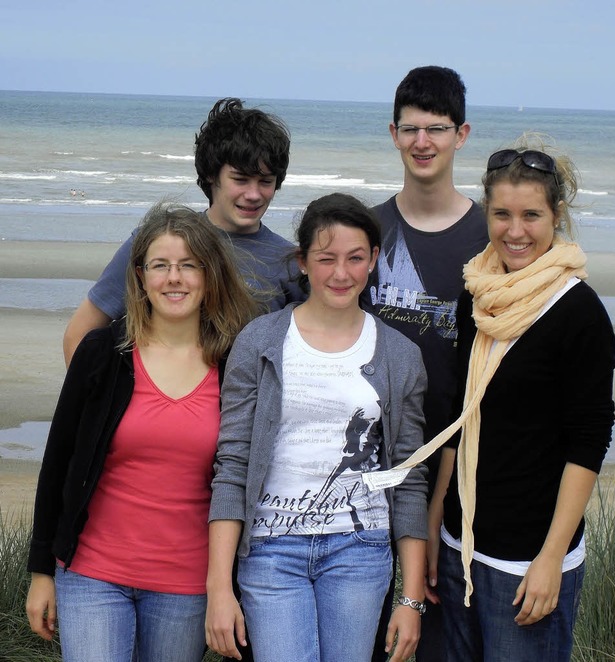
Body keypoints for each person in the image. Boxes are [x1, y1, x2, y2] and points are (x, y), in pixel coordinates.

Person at [26, 203, 259, 662]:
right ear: (140, 275)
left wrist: (223, 588)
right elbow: (58, 463)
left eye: (188, 266)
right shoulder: (103, 353)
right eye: (160, 265)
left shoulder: (236, 363)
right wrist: (40, 572)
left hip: (186, 584)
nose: (174, 278)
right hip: (93, 572)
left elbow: (240, 479)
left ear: (209, 275)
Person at [205, 193, 429, 662]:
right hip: (270, 549)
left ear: (373, 261)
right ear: (303, 262)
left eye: (355, 258)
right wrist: (219, 588)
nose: (341, 273)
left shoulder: (400, 355)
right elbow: (232, 465)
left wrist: (409, 599)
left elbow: (408, 481)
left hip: (360, 548)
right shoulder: (260, 341)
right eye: (326, 259)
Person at [421, 135, 615, 660]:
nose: (515, 231)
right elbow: (461, 415)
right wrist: (437, 516)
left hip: (527, 562)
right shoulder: (478, 294)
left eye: (531, 215)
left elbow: (588, 441)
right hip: (460, 544)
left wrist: (551, 558)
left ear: (557, 216)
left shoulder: (578, 313)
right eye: (501, 214)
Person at [365, 65, 489, 661]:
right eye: (410, 128)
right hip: (367, 453)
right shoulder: (367, 230)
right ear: (393, 134)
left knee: (436, 628)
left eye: (436, 129)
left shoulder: (495, 235)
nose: (422, 142)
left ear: (461, 135)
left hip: (459, 461)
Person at [62, 97, 305, 367]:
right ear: (212, 175)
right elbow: (79, 332)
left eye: (265, 182)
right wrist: (90, 405)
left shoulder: (289, 261)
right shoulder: (157, 244)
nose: (253, 194)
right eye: (240, 179)